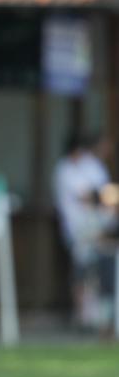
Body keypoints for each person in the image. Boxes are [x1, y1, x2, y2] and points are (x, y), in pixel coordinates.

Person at [53, 134, 111, 328]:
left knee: (96, 273)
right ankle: (81, 316)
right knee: (80, 272)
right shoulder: (64, 170)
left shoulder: (91, 166)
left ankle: (96, 317)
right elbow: (86, 196)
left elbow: (103, 194)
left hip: (98, 228)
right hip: (77, 229)